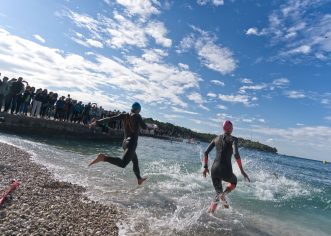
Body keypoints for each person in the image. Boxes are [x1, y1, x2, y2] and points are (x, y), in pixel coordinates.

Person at [88, 102, 154, 185]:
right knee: (123, 164)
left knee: (135, 161)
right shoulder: (137, 116)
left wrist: (96, 122)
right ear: (138, 109)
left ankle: (139, 179)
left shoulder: (124, 115)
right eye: (140, 110)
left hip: (124, 143)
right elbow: (145, 127)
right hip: (131, 143)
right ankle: (103, 158)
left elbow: (110, 119)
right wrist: (153, 127)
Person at [203, 120, 250, 213]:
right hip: (225, 170)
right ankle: (223, 195)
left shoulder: (216, 139)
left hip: (214, 170)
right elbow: (236, 154)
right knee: (234, 181)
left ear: (223, 128)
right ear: (231, 129)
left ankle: (210, 212)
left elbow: (206, 152)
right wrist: (242, 170)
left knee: (218, 193)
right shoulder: (233, 139)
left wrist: (205, 167)